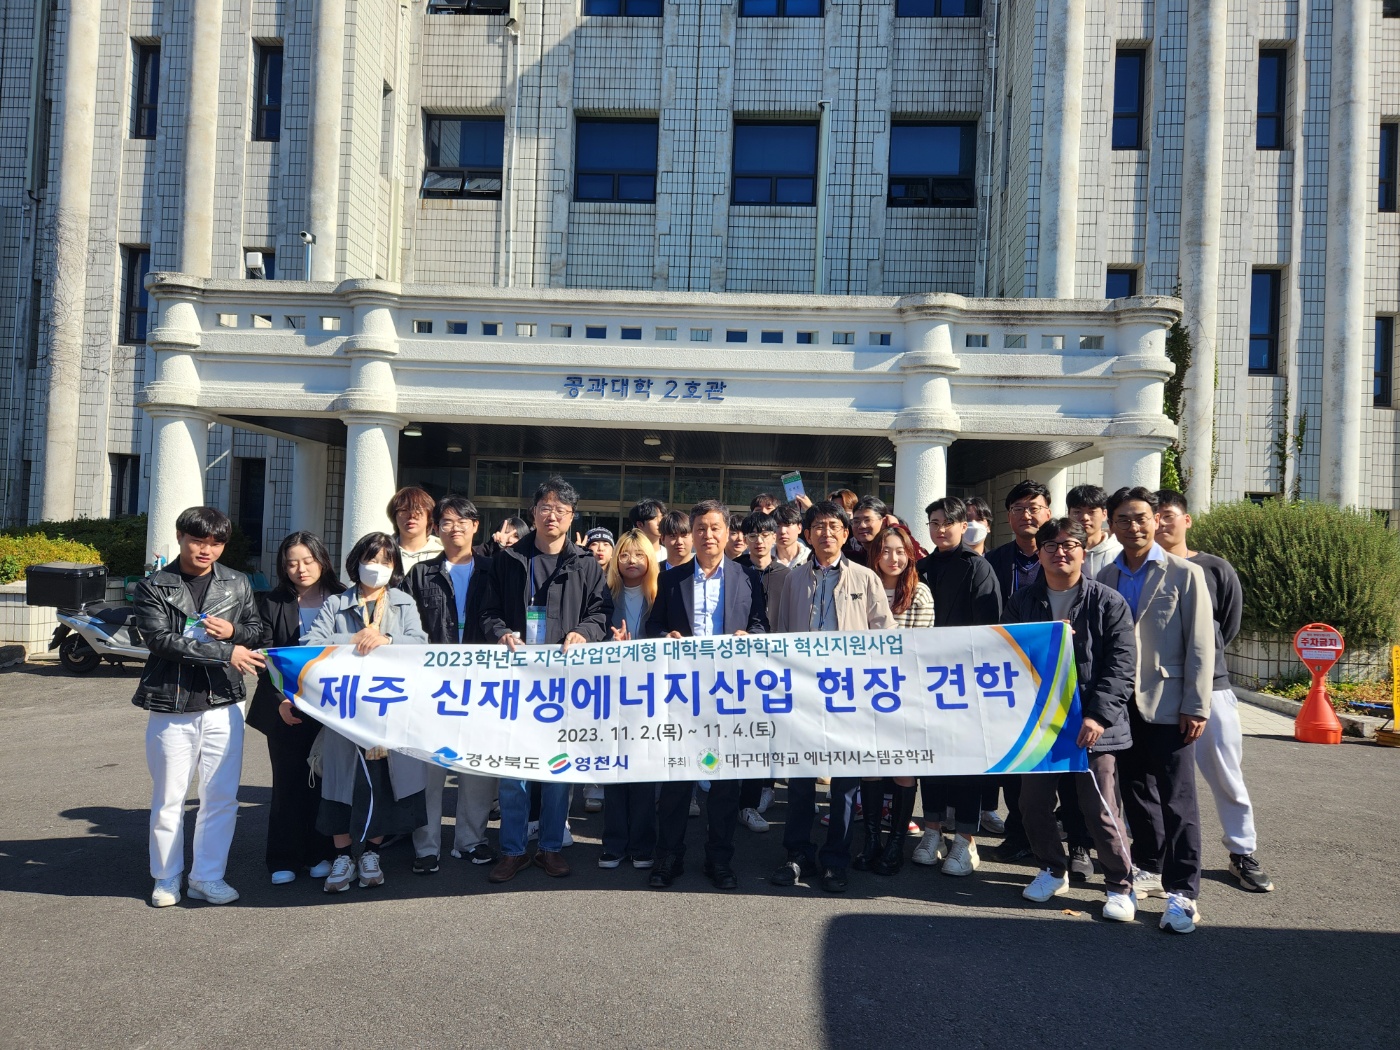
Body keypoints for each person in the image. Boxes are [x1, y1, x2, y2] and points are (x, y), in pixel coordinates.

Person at [1003, 519, 1140, 922]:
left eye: (1069, 545)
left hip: (1093, 725)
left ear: (1083, 551)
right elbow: (1007, 656)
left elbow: (1121, 666)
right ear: (1039, 552)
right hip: (1041, 723)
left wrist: (1098, 716)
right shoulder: (1023, 601)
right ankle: (1052, 868)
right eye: (1051, 545)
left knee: (1100, 807)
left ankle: (1120, 884)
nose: (1060, 552)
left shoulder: (1108, 601)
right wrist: (1046, 641)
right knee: (1032, 804)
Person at [480, 476, 613, 883]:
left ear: (572, 517)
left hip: (564, 681)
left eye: (560, 509)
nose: (551, 515)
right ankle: (512, 850)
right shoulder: (508, 559)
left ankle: (551, 847)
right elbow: (488, 611)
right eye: (545, 507)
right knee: (514, 771)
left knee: (558, 770)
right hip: (516, 681)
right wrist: (501, 632)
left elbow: (601, 613)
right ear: (533, 512)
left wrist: (583, 633)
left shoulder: (585, 564)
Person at [1097, 486, 1214, 934]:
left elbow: (1201, 644)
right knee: (1135, 790)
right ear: (1112, 525)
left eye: (1142, 517)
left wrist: (1196, 705)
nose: (1134, 526)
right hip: (1119, 704)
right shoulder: (1105, 575)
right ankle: (1149, 864)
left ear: (1157, 520)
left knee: (1177, 798)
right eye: (1124, 519)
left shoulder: (1185, 573)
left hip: (1169, 702)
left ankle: (1183, 892)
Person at [135, 506, 265, 908]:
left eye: (216, 543)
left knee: (221, 796)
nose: (206, 549)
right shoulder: (154, 586)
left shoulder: (237, 582)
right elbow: (160, 640)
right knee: (169, 798)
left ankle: (208, 877)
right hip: (170, 704)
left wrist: (235, 631)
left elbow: (256, 629)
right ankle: (166, 876)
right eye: (197, 540)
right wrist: (227, 650)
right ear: (180, 537)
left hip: (224, 702)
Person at [769, 500, 896, 894]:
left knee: (844, 783)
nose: (826, 533)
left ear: (845, 533)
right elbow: (781, 633)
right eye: (818, 527)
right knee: (800, 780)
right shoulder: (792, 579)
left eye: (833, 526)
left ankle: (835, 860)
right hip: (804, 693)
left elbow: (885, 636)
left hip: (849, 694)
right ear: (807, 535)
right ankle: (797, 854)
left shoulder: (865, 578)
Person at [645, 500, 770, 891]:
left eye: (715, 528)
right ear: (691, 533)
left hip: (728, 695)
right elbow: (653, 627)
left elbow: (761, 625)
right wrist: (666, 636)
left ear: (728, 532)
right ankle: (669, 857)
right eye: (700, 528)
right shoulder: (672, 579)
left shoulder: (747, 577)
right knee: (677, 783)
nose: (708, 535)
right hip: (683, 696)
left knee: (725, 784)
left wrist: (750, 637)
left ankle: (720, 859)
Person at [1154, 489, 1274, 893]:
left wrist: (1206, 669)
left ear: (1186, 520)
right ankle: (1152, 856)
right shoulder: (1141, 569)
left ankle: (1242, 851)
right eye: (1155, 515)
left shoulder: (1215, 568)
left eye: (1169, 514)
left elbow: (1227, 625)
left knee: (1225, 773)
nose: (1161, 522)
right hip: (1156, 690)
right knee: (1154, 779)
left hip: (1211, 688)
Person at [304, 532, 430, 893]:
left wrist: (387, 640)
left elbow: (421, 644)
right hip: (345, 712)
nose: (378, 567)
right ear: (356, 562)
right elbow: (310, 644)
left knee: (383, 783)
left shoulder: (403, 602)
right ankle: (343, 856)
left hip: (388, 712)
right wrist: (352, 640)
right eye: (371, 560)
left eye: (386, 561)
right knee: (341, 783)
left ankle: (372, 853)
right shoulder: (336, 603)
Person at [401, 496, 499, 874]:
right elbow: (404, 627)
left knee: (477, 768)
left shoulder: (494, 570)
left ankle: (470, 840)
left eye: (462, 521)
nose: (454, 528)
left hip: (483, 686)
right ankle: (426, 846)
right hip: (433, 688)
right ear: (436, 529)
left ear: (476, 526)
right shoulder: (420, 574)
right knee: (429, 770)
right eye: (446, 522)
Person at [246, 531, 341, 886]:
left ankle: (321, 853)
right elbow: (265, 656)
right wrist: (281, 700)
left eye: (307, 561)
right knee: (288, 782)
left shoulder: (343, 598)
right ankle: (283, 858)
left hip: (332, 707)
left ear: (322, 560)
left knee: (325, 782)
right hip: (286, 706)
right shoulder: (273, 602)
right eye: (291, 563)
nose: (300, 569)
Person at [912, 497, 1001, 873]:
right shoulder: (920, 567)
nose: (940, 529)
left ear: (964, 526)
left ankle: (965, 840)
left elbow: (989, 627)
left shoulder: (978, 567)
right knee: (931, 760)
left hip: (966, 680)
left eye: (948, 522)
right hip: (926, 681)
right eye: (934, 523)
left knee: (967, 763)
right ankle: (932, 830)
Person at [853, 524, 933, 876]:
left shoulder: (919, 593)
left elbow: (920, 648)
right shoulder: (859, 586)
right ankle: (871, 840)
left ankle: (896, 843)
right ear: (874, 554)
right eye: (886, 550)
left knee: (902, 767)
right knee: (869, 767)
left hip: (905, 694)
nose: (893, 558)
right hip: (864, 691)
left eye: (900, 551)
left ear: (910, 555)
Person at [983, 480, 1054, 861]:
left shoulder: (1060, 556)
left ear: (1048, 513)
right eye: (1018, 509)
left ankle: (1062, 838)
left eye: (1034, 507)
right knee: (1014, 757)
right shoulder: (993, 561)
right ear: (1008, 517)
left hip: (1053, 674)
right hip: (1006, 676)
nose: (1027, 515)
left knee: (1052, 761)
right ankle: (1018, 833)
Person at [599, 530, 661, 870]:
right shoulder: (604, 593)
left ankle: (642, 844)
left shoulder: (660, 593)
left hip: (651, 695)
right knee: (614, 771)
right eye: (624, 554)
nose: (631, 561)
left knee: (644, 771)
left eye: (639, 554)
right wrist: (612, 645)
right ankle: (614, 844)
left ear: (650, 558)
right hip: (612, 693)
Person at [735, 510, 791, 829]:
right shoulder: (734, 571)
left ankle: (759, 795)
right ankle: (734, 798)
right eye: (752, 535)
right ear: (744, 538)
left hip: (777, 664)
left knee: (767, 732)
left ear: (775, 537)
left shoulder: (788, 575)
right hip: (739, 664)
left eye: (765, 534)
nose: (759, 541)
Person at [1068, 484, 1123, 578]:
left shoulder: (1120, 551)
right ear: (1068, 514)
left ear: (1104, 514)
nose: (1085, 518)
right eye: (1077, 512)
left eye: (1091, 512)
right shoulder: (1062, 551)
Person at [388, 486, 442, 571]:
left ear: (429, 516)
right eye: (404, 510)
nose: (412, 515)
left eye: (417, 509)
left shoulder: (443, 554)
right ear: (394, 516)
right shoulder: (384, 552)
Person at [846, 495, 888, 563]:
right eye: (856, 521)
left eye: (867, 520)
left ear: (883, 522)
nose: (861, 526)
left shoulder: (891, 557)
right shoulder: (852, 558)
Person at [771, 501, 811, 568]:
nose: (783, 531)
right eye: (777, 526)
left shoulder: (810, 559)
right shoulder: (764, 559)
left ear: (799, 528)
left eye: (788, 525)